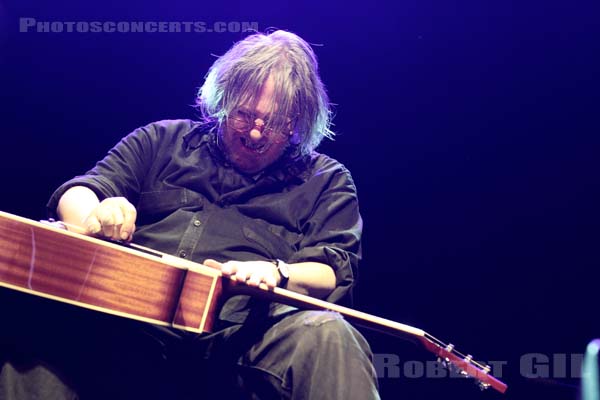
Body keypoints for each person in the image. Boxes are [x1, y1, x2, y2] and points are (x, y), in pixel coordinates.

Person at [0, 30, 380, 399]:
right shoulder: (162, 140)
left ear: (300, 121)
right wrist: (96, 213)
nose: (256, 135)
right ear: (223, 100)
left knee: (329, 334)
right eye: (244, 116)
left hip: (241, 340)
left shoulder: (327, 180)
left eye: (276, 123)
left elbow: (332, 271)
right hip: (128, 323)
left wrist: (279, 273)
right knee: (44, 315)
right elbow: (79, 191)